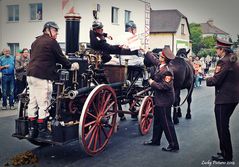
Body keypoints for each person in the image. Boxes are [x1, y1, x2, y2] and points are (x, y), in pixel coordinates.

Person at [26, 21, 79, 139]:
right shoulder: (51, 42)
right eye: (55, 31)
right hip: (42, 75)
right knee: (44, 102)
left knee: (33, 102)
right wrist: (71, 66)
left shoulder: (35, 41)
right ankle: (43, 131)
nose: (56, 33)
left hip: (30, 74)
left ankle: (32, 130)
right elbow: (61, 58)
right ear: (48, 30)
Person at [206, 38, 239, 162]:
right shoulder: (233, 60)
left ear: (222, 50)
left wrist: (206, 79)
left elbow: (216, 80)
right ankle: (225, 152)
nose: (216, 51)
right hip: (233, 98)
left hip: (224, 99)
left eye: (217, 49)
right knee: (224, 126)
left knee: (222, 127)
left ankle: (226, 156)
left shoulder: (223, 62)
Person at [143, 47, 179, 152]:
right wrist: (144, 50)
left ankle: (173, 145)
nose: (159, 57)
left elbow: (164, 87)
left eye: (160, 56)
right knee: (158, 120)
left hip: (165, 100)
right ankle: (155, 140)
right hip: (160, 99)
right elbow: (153, 59)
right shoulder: (161, 65)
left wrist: (151, 83)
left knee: (166, 122)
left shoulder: (167, 71)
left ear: (164, 58)